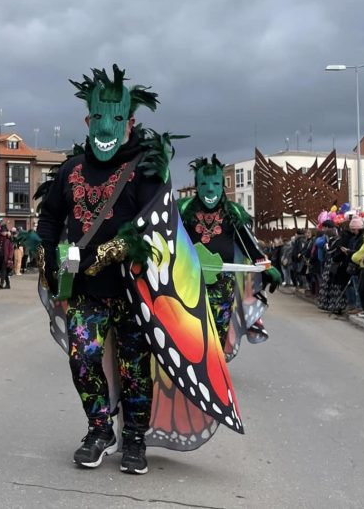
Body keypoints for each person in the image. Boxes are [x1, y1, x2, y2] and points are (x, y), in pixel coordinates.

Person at [37, 65, 243, 475]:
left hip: (137, 295)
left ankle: (134, 439)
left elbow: (160, 229)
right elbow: (49, 218)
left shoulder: (145, 173)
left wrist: (118, 248)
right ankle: (99, 429)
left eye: (117, 118)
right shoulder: (70, 169)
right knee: (84, 356)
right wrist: (45, 253)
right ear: (88, 120)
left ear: (130, 123)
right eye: (99, 117)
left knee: (135, 369)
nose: (107, 127)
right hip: (85, 289)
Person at [179, 155, 281, 355]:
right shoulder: (183, 210)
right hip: (189, 281)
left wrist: (267, 268)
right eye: (204, 184)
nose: (210, 189)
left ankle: (213, 370)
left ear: (223, 186)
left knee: (218, 330)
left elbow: (250, 247)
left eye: (216, 183)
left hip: (222, 283)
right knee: (190, 328)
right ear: (197, 186)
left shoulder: (232, 212)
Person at [0, 224, 15, 289]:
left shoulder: (8, 239)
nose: (3, 232)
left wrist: (10, 258)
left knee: (3, 270)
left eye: (5, 231)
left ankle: (1, 283)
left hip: (6, 258)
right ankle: (8, 284)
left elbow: (11, 250)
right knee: (3, 271)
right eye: (2, 231)